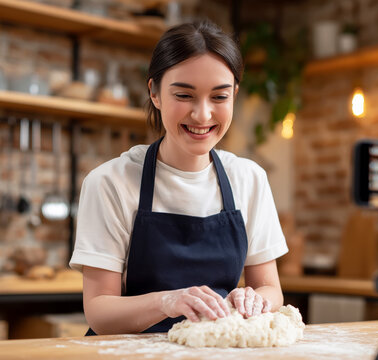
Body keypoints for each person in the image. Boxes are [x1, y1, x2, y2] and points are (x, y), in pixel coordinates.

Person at [69, 20, 288, 335]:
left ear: (235, 95)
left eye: (219, 97)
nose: (202, 115)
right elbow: (100, 312)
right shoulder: (109, 183)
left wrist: (252, 299)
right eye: (184, 95)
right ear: (155, 93)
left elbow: (271, 291)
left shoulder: (248, 179)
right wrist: (166, 302)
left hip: (214, 350)